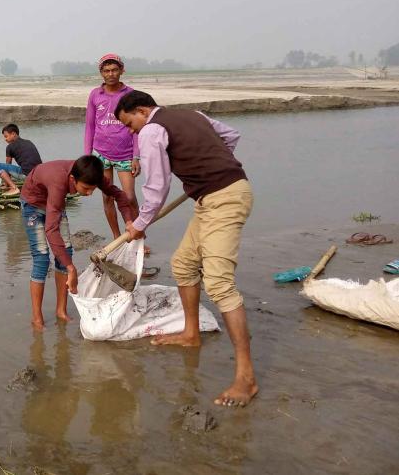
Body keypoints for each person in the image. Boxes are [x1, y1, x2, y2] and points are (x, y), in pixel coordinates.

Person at [115, 90, 257, 408]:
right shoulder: (194, 115)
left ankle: (246, 378)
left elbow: (157, 185)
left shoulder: (151, 130)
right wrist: (210, 167)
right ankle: (190, 334)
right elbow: (231, 136)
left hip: (224, 199)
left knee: (219, 284)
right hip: (214, 196)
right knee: (183, 264)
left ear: (141, 110)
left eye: (130, 124)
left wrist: (140, 223)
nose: (132, 132)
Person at [20, 155, 134, 330]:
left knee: (66, 253)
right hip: (33, 203)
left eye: (93, 190)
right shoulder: (59, 183)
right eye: (86, 189)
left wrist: (128, 221)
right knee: (42, 259)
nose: (89, 194)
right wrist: (71, 268)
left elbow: (119, 195)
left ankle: (61, 311)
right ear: (73, 179)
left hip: (54, 205)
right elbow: (51, 230)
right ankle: (37, 317)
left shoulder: (91, 174)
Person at [84, 53, 145, 249]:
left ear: (122, 70)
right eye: (106, 70)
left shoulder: (130, 94)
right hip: (101, 154)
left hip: (126, 154)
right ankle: (117, 237)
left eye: (114, 70)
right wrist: (87, 156)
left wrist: (137, 155)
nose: (111, 74)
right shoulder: (95, 95)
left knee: (129, 197)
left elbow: (137, 127)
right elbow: (90, 126)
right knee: (107, 196)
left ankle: (138, 237)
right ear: (101, 72)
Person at [0, 124, 42, 197]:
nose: (5, 139)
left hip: (27, 176)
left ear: (13, 134)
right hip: (39, 175)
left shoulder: (10, 147)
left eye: (6, 136)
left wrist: (7, 184)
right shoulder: (29, 142)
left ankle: (13, 188)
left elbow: (8, 164)